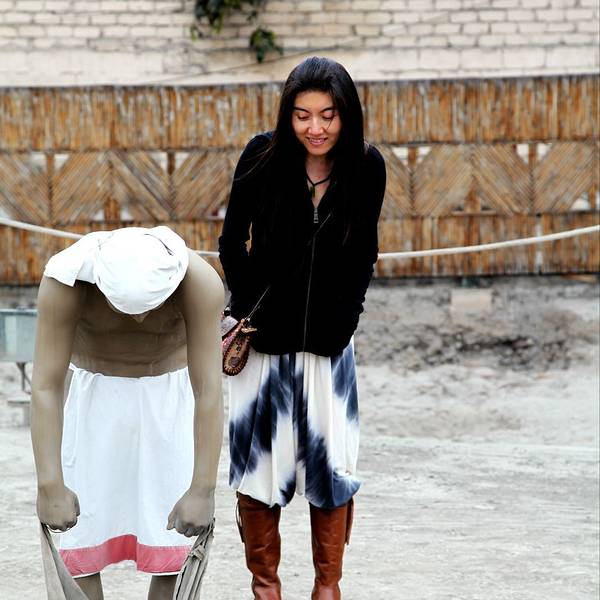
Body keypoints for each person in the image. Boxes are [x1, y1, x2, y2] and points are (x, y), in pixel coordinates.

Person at [218, 57, 386, 600]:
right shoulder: (261, 157)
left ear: (346, 114)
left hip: (330, 351)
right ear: (287, 115)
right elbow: (231, 242)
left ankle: (327, 588)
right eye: (302, 115)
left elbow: (364, 252)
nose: (315, 128)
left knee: (332, 470)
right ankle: (265, 588)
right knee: (259, 472)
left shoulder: (366, 166)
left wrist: (346, 319)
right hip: (264, 349)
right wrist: (251, 309)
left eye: (327, 115)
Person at [30, 226, 224, 600]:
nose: (140, 319)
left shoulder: (200, 284)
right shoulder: (64, 282)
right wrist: (49, 483)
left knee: (176, 537)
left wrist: (203, 487)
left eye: (151, 308)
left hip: (169, 404)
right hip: (92, 405)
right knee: (79, 536)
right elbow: (46, 385)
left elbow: (208, 389)